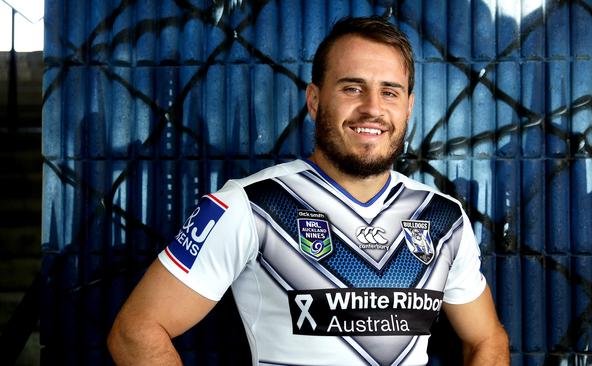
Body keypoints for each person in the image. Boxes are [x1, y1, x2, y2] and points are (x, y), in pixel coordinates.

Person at [108, 16, 509, 365]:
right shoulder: (249, 205)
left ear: (408, 106)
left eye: (390, 91)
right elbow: (136, 331)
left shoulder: (443, 218)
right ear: (314, 100)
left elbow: (487, 338)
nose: (372, 107)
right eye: (352, 88)